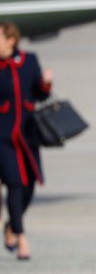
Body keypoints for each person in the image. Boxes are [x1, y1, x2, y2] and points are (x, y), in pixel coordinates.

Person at [0, 21, 52, 261]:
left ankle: (11, 225)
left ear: (11, 40)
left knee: (29, 186)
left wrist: (46, 83)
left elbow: (40, 94)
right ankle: (21, 238)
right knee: (14, 184)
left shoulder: (29, 61)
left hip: (27, 135)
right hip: (3, 137)